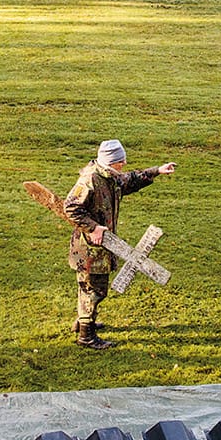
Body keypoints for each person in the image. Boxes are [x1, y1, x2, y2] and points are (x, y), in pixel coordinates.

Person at [62, 140, 175, 349]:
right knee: (93, 289)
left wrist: (157, 171)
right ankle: (86, 336)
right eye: (120, 160)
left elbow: (129, 181)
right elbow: (70, 208)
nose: (124, 163)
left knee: (91, 287)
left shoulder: (110, 176)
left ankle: (84, 321)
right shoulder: (90, 179)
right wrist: (93, 228)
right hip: (87, 248)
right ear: (110, 161)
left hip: (99, 247)